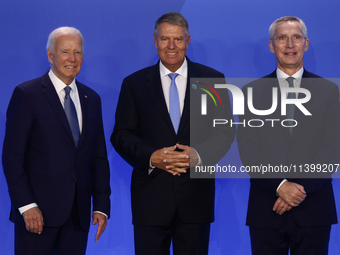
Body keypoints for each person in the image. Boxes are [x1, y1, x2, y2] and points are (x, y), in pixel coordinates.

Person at [111, 12, 235, 255]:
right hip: (150, 200)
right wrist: (151, 157)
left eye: (177, 39)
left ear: (187, 40)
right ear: (155, 40)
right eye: (165, 39)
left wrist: (198, 156)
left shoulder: (212, 79)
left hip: (195, 200)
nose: (171, 46)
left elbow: (225, 130)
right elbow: (121, 134)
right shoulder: (134, 84)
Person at [2, 27, 111, 255]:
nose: (72, 59)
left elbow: (98, 158)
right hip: (37, 217)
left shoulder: (92, 99)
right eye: (65, 51)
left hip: (77, 217)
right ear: (50, 55)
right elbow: (12, 158)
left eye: (78, 52)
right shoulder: (27, 94)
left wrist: (101, 206)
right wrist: (27, 206)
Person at [237, 16, 340, 255]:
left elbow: (332, 148)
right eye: (282, 38)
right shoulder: (251, 91)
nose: (290, 44)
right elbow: (249, 149)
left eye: (296, 37)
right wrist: (280, 185)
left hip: (314, 209)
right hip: (266, 209)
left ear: (306, 43)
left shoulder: (328, 90)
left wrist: (297, 189)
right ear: (272, 45)